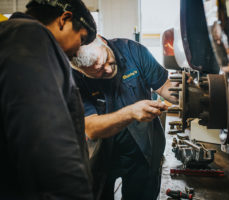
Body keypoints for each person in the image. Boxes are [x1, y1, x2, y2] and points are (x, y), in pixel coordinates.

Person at [0, 0, 97, 199]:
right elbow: (46, 137)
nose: (79, 51)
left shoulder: (9, 35)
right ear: (65, 19)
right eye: (82, 39)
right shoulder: (30, 36)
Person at [71, 35, 179, 200]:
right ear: (81, 70)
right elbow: (91, 128)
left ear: (102, 41)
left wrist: (184, 94)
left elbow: (164, 86)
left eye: (106, 60)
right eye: (97, 71)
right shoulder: (73, 78)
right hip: (101, 155)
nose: (107, 69)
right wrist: (131, 113)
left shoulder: (133, 51)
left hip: (143, 151)